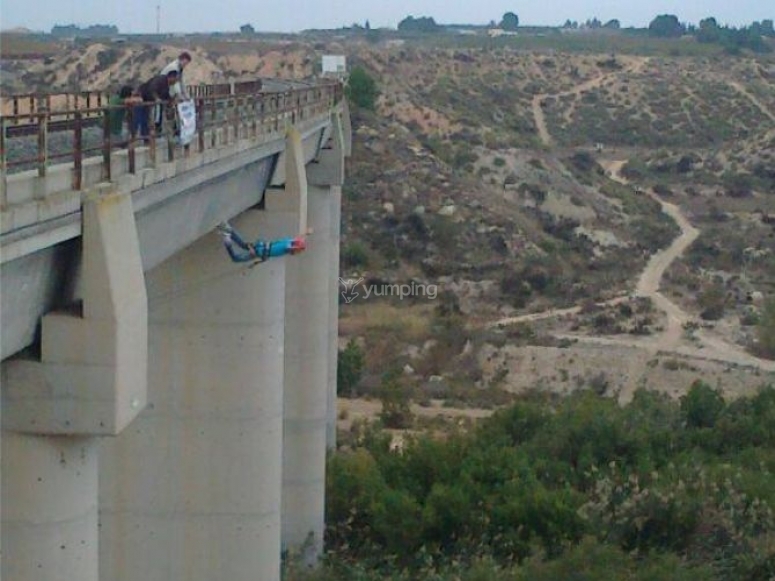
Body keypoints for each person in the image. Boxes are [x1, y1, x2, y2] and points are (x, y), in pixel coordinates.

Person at [217, 222, 306, 263]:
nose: (297, 253)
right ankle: (227, 240)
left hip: (260, 246)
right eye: (298, 251)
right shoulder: (287, 247)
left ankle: (229, 230)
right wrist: (255, 252)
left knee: (243, 245)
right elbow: (288, 249)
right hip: (259, 251)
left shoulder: (288, 240)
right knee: (236, 259)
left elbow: (294, 241)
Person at [133, 70, 179, 139]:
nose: (176, 82)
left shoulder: (167, 85)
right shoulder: (160, 79)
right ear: (171, 77)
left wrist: (171, 100)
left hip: (148, 101)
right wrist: (157, 98)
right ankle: (135, 138)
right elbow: (152, 89)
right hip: (141, 97)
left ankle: (146, 138)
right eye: (175, 79)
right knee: (140, 119)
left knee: (146, 120)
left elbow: (165, 95)